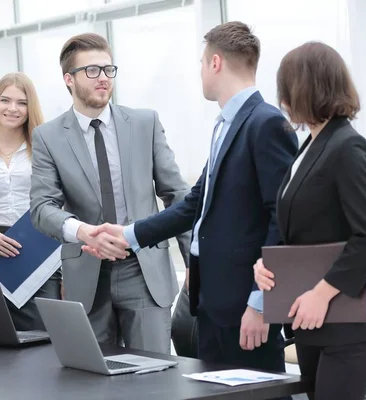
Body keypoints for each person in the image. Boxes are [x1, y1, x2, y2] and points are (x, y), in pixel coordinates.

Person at [83, 22, 298, 374]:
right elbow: (194, 203)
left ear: (215, 63)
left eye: (201, 62)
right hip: (213, 303)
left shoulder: (266, 123)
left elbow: (283, 221)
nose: (200, 71)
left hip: (245, 305)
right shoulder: (225, 124)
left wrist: (261, 305)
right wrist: (127, 235)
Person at [29, 33, 190, 354]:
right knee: (94, 381)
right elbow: (41, 208)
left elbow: (178, 196)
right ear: (68, 80)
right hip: (87, 276)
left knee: (154, 378)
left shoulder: (145, 123)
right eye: (91, 71)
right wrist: (85, 232)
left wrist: (195, 264)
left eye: (108, 69)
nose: (103, 77)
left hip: (144, 271)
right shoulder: (47, 137)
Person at [253, 41, 366, 400]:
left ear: (305, 88)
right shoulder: (309, 146)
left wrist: (321, 294)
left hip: (346, 321)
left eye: (286, 86)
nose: (281, 97)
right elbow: (303, 229)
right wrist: (268, 263)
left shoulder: (347, 146)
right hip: (310, 320)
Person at [0, 72, 61, 331]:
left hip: (41, 249)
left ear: (31, 109)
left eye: (22, 102)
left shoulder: (45, 150)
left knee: (44, 332)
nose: (12, 109)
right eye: (5, 100)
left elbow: (61, 203)